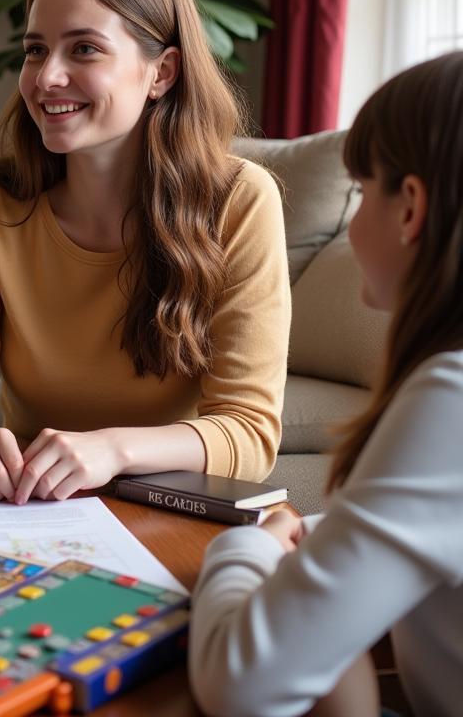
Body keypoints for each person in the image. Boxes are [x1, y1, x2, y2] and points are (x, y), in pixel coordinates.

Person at [0, 0, 290, 505]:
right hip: (29, 505)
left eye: (84, 49)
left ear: (161, 72)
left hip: (168, 506)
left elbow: (249, 433)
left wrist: (112, 450)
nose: (46, 79)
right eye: (36, 51)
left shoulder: (239, 201)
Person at [189, 51, 463, 717]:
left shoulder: (451, 397)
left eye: (362, 190)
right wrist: (316, 527)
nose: (355, 215)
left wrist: (245, 540)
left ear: (411, 209)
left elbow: (242, 681)